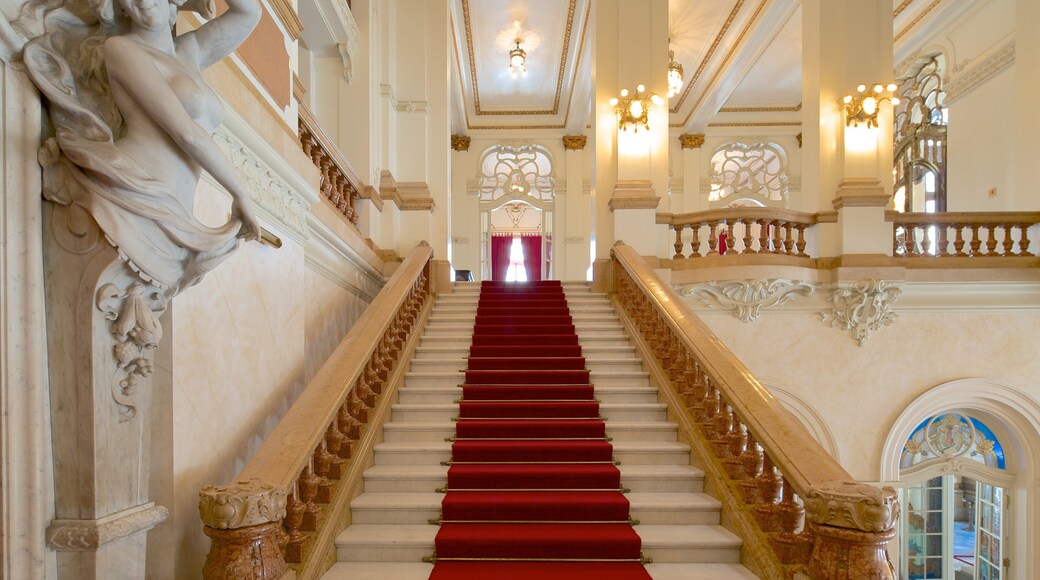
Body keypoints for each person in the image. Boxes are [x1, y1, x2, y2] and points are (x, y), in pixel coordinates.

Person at [20, 0, 263, 294]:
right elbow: (185, 133)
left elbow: (250, 12)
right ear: (120, 8)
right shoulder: (122, 49)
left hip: (173, 212)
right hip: (135, 192)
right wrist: (240, 192)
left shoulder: (192, 51)